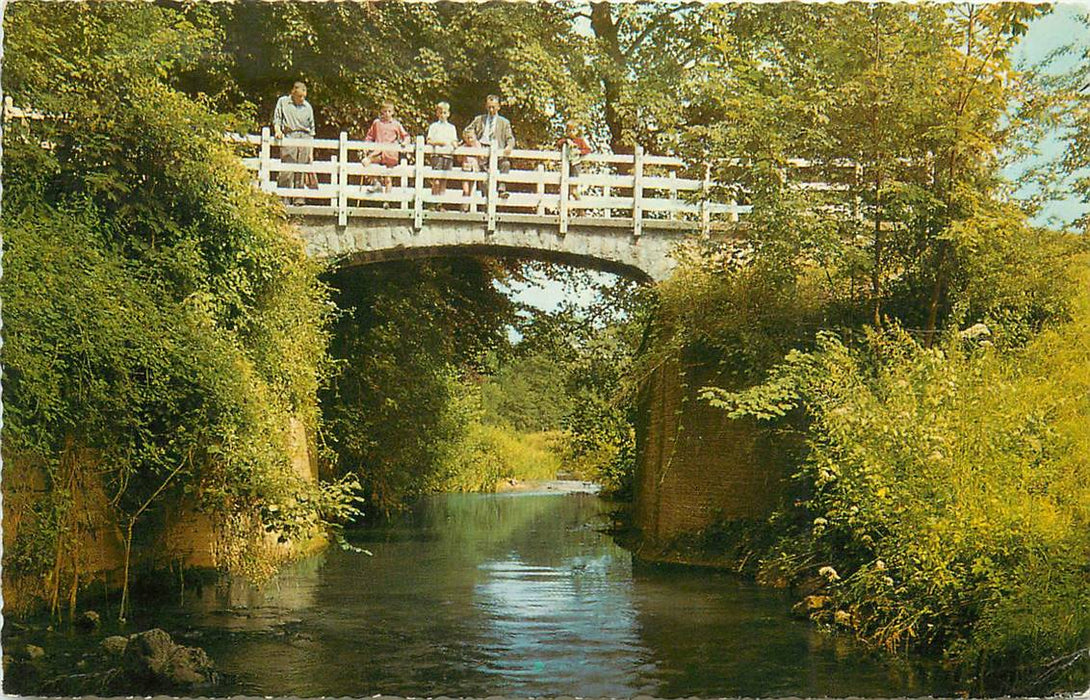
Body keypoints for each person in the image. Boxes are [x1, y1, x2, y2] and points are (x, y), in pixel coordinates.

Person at [272, 81, 316, 205]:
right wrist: (277, 130)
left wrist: (310, 151)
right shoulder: (283, 102)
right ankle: (282, 200)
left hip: (305, 137)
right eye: (299, 96)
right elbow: (277, 118)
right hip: (290, 135)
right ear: (293, 93)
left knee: (301, 169)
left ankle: (299, 199)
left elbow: (312, 130)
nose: (302, 99)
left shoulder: (307, 107)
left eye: (304, 97)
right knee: (287, 168)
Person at [466, 95, 515, 198]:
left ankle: (501, 190)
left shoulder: (504, 122)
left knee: (506, 164)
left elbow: (510, 137)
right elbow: (467, 131)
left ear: (498, 107)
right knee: (483, 172)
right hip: (482, 150)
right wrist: (474, 141)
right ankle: (486, 196)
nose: (491, 109)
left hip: (498, 151)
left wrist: (509, 146)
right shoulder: (479, 119)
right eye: (489, 107)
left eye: (493, 107)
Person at [362, 101, 410, 194]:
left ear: (392, 112)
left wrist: (404, 142)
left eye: (389, 111)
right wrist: (366, 145)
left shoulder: (396, 124)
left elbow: (406, 136)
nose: (387, 114)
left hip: (390, 154)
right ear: (381, 112)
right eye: (384, 111)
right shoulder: (377, 123)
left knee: (388, 178)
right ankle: (376, 183)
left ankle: (387, 201)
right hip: (378, 152)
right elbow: (370, 136)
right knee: (366, 161)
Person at [426, 101, 458, 205]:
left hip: (448, 155)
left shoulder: (451, 127)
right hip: (437, 155)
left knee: (444, 179)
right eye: (440, 112)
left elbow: (454, 140)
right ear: (437, 113)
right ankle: (433, 202)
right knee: (436, 180)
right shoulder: (434, 126)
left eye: (445, 113)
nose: (443, 115)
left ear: (448, 114)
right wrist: (440, 142)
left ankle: (440, 203)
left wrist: (455, 144)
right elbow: (429, 140)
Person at [557, 120, 592, 200]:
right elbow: (558, 144)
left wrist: (579, 151)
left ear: (577, 131)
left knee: (574, 189)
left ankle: (581, 209)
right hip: (567, 165)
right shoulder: (566, 140)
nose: (571, 132)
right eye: (569, 130)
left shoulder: (579, 141)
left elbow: (588, 150)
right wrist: (566, 141)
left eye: (573, 130)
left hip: (576, 164)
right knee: (566, 188)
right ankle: (568, 210)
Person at [459, 127, 483, 211]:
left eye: (471, 137)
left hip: (474, 169)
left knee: (473, 189)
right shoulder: (464, 146)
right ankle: (464, 208)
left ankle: (471, 209)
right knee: (466, 190)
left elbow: (482, 157)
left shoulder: (478, 145)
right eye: (467, 138)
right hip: (465, 169)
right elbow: (459, 159)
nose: (470, 140)